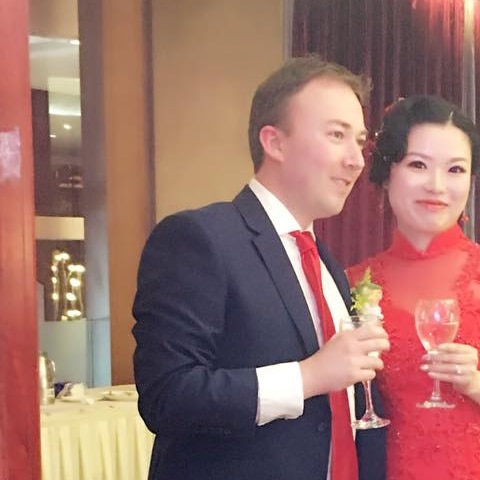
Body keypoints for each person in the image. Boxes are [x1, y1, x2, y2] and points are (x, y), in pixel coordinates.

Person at [132, 56, 390, 480]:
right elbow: (169, 396)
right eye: (337, 135)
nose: (357, 160)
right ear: (274, 142)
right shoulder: (199, 239)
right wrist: (308, 376)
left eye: (360, 141)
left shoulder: (326, 263)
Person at [347, 96, 480, 480]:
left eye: (456, 169)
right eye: (418, 165)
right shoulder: (353, 283)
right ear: (387, 172)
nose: (437, 185)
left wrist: (475, 382)